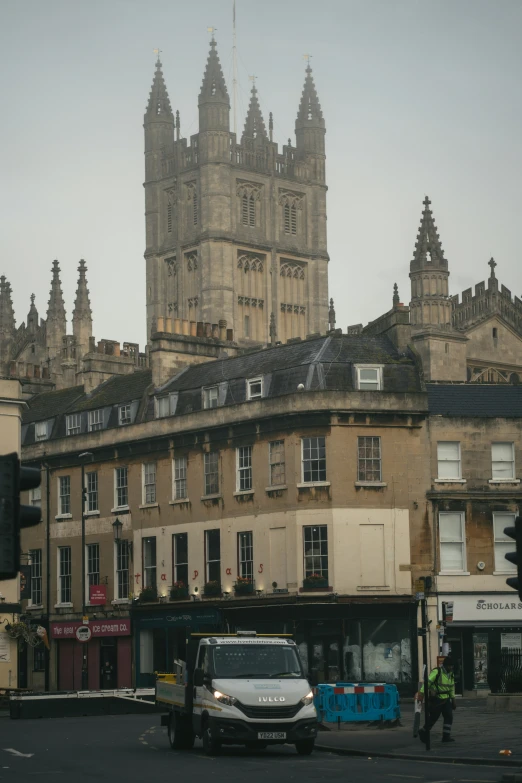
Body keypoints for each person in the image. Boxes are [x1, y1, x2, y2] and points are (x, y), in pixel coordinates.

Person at [418, 657, 456, 743]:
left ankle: (446, 736)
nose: (451, 668)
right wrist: (421, 693)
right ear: (445, 665)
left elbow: (451, 687)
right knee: (433, 717)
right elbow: (428, 682)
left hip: (446, 699)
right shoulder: (437, 671)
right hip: (437, 699)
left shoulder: (451, 674)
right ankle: (423, 731)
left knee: (449, 717)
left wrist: (453, 699)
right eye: (449, 666)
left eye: (452, 666)